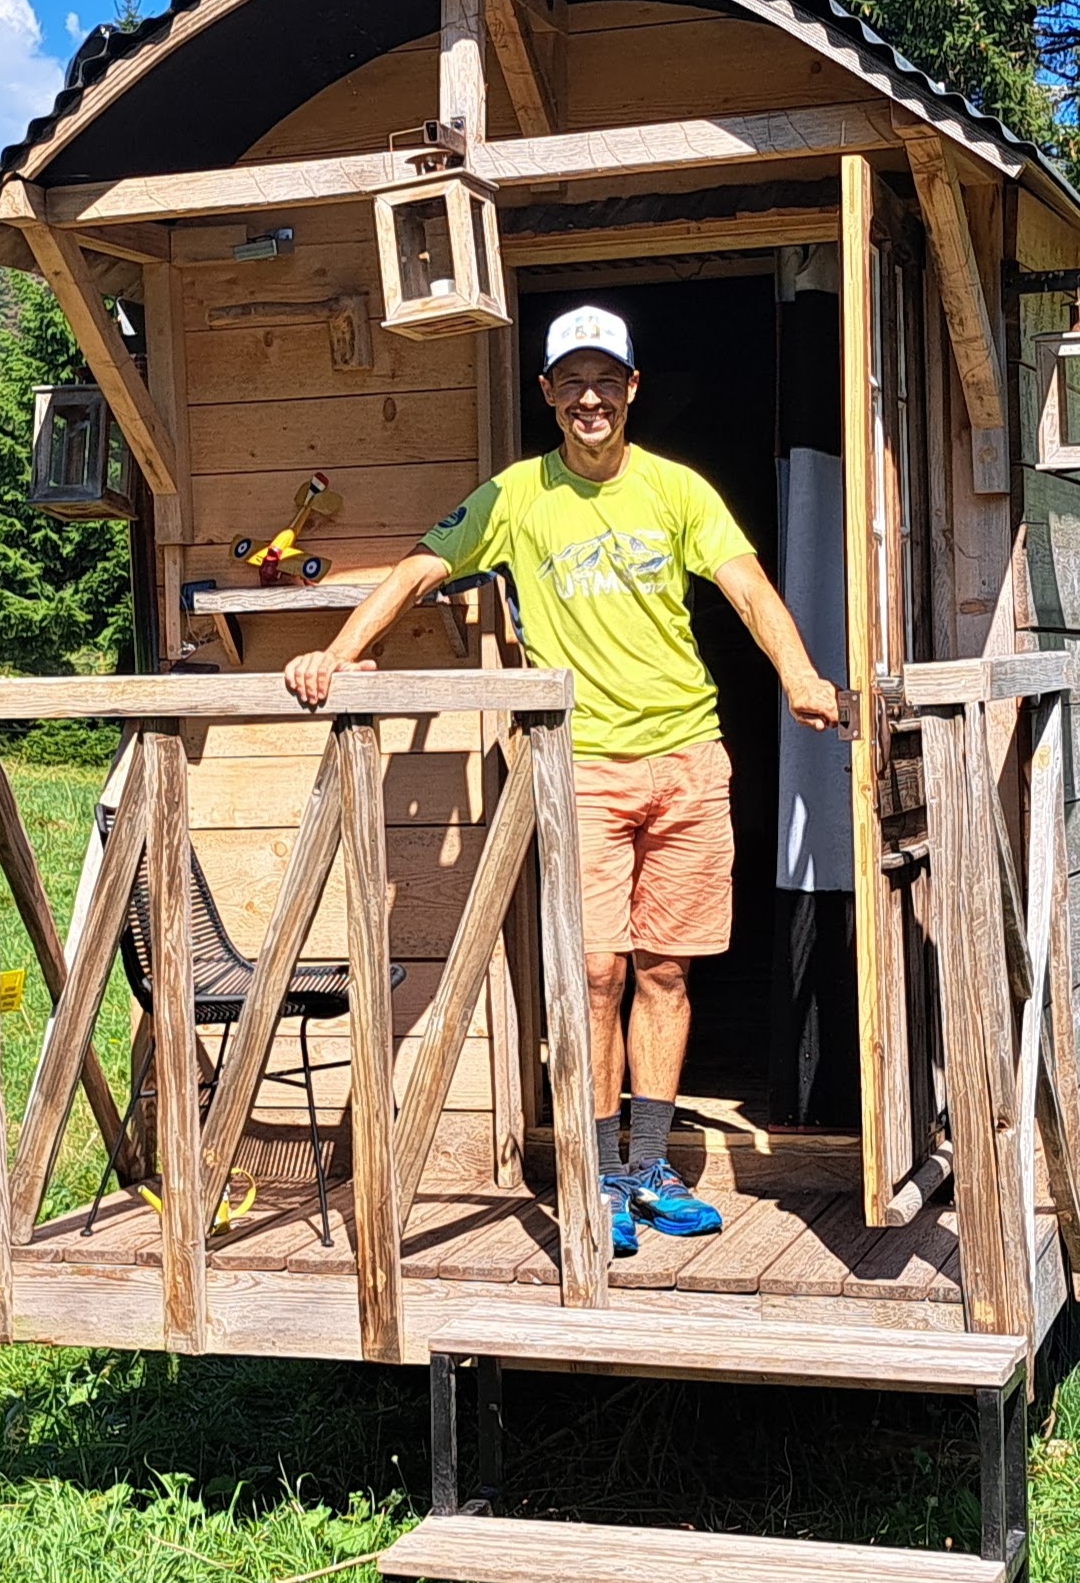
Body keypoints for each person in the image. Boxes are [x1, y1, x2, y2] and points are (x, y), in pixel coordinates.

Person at [284, 306, 838, 1256]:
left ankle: (647, 1167)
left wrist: (798, 674)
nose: (590, 398)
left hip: (688, 760)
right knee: (594, 971)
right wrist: (336, 652)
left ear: (632, 388)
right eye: (572, 381)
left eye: (606, 379)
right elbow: (418, 570)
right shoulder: (516, 495)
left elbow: (747, 587)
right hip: (581, 766)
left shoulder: (677, 489)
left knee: (666, 969)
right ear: (546, 393)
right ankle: (595, 1170)